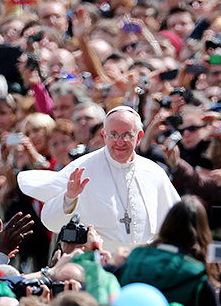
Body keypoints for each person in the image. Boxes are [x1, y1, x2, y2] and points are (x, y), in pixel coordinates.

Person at [18, 106, 180, 250]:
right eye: (113, 135)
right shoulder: (82, 168)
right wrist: (69, 198)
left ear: (139, 137)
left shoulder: (153, 172)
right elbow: (50, 222)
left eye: (127, 135)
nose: (120, 142)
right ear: (104, 135)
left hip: (143, 264)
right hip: (101, 266)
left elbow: (175, 221)